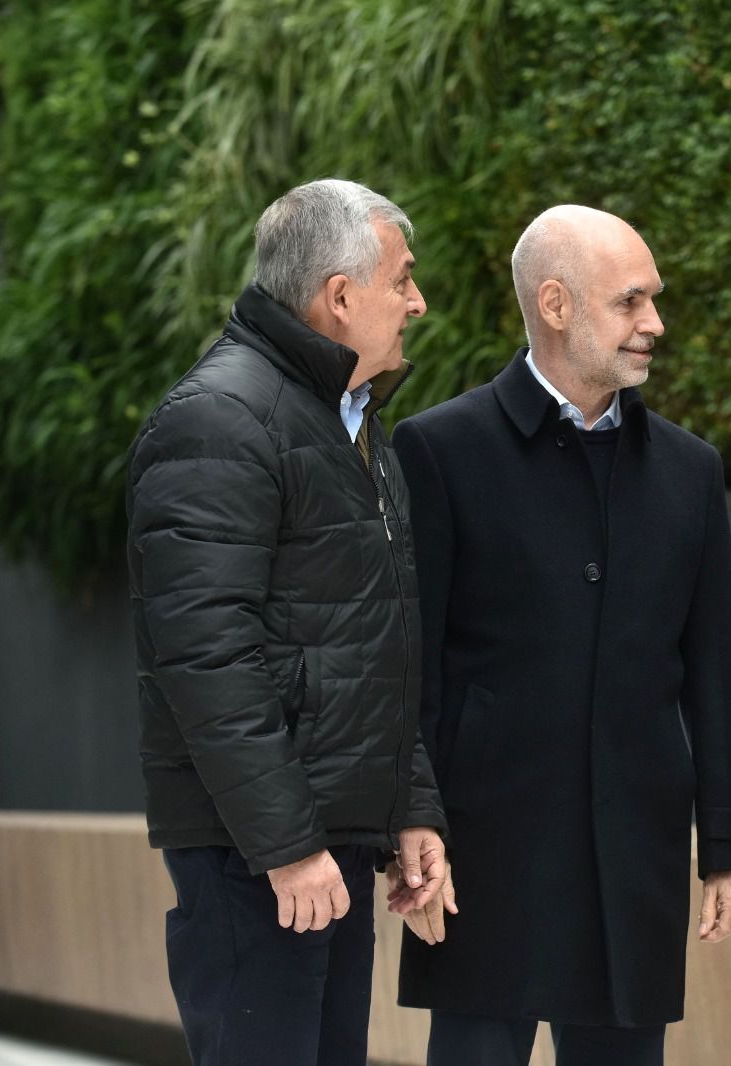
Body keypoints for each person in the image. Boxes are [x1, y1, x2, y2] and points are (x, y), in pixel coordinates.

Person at [391, 204, 731, 1066]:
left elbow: (718, 671)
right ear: (555, 304)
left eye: (654, 300)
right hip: (484, 859)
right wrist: (411, 823)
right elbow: (412, 667)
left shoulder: (689, 469)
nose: (655, 324)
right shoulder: (439, 451)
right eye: (631, 302)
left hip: (632, 856)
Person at [126, 178, 452, 1066]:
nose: (418, 303)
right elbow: (205, 657)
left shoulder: (346, 423)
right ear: (339, 297)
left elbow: (373, 645)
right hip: (260, 858)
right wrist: (285, 845)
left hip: (326, 843)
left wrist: (408, 813)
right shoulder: (220, 421)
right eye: (403, 281)